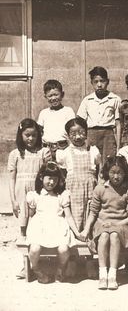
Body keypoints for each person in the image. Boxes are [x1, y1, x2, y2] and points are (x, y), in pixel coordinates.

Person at [81, 156, 128, 290]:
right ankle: (102, 273)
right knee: (105, 235)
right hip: (102, 224)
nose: (116, 176)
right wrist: (86, 229)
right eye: (113, 172)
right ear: (107, 172)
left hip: (122, 224)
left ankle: (112, 275)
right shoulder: (100, 189)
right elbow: (93, 212)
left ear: (125, 173)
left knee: (114, 235)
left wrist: (118, 224)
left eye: (120, 173)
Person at [8, 118, 50, 278]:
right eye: (27, 135)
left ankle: (41, 261)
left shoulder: (43, 152)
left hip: (39, 194)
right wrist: (13, 200)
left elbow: (48, 174)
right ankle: (26, 265)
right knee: (24, 230)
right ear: (21, 135)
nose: (30, 139)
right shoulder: (15, 154)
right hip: (21, 195)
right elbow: (12, 179)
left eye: (33, 135)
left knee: (40, 226)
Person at [26, 162, 81, 283]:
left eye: (55, 179)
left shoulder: (61, 195)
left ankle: (61, 268)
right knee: (34, 249)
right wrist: (28, 233)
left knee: (63, 249)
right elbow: (31, 215)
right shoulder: (35, 195)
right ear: (41, 177)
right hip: (40, 227)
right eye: (49, 178)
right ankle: (36, 269)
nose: (52, 182)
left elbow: (68, 216)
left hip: (58, 227)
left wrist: (77, 233)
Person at [56, 117, 101, 233]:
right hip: (73, 190)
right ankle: (76, 235)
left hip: (91, 188)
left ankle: (89, 235)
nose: (77, 137)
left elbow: (99, 171)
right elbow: (62, 174)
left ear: (86, 133)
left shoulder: (93, 151)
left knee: (91, 211)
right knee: (76, 213)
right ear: (68, 135)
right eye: (73, 134)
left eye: (81, 133)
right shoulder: (64, 153)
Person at [77, 66, 121, 161]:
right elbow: (80, 122)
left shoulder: (115, 99)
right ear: (92, 83)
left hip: (108, 135)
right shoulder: (87, 100)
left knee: (108, 162)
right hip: (91, 134)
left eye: (102, 81)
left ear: (108, 82)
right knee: (92, 162)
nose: (99, 85)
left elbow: (118, 124)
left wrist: (118, 146)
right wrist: (84, 140)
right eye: (96, 82)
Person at [37, 79, 75, 160]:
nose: (53, 98)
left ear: (62, 94)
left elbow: (72, 131)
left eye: (56, 94)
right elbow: (38, 132)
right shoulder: (43, 113)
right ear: (45, 97)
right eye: (50, 96)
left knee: (63, 170)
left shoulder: (68, 111)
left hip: (63, 148)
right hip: (46, 149)